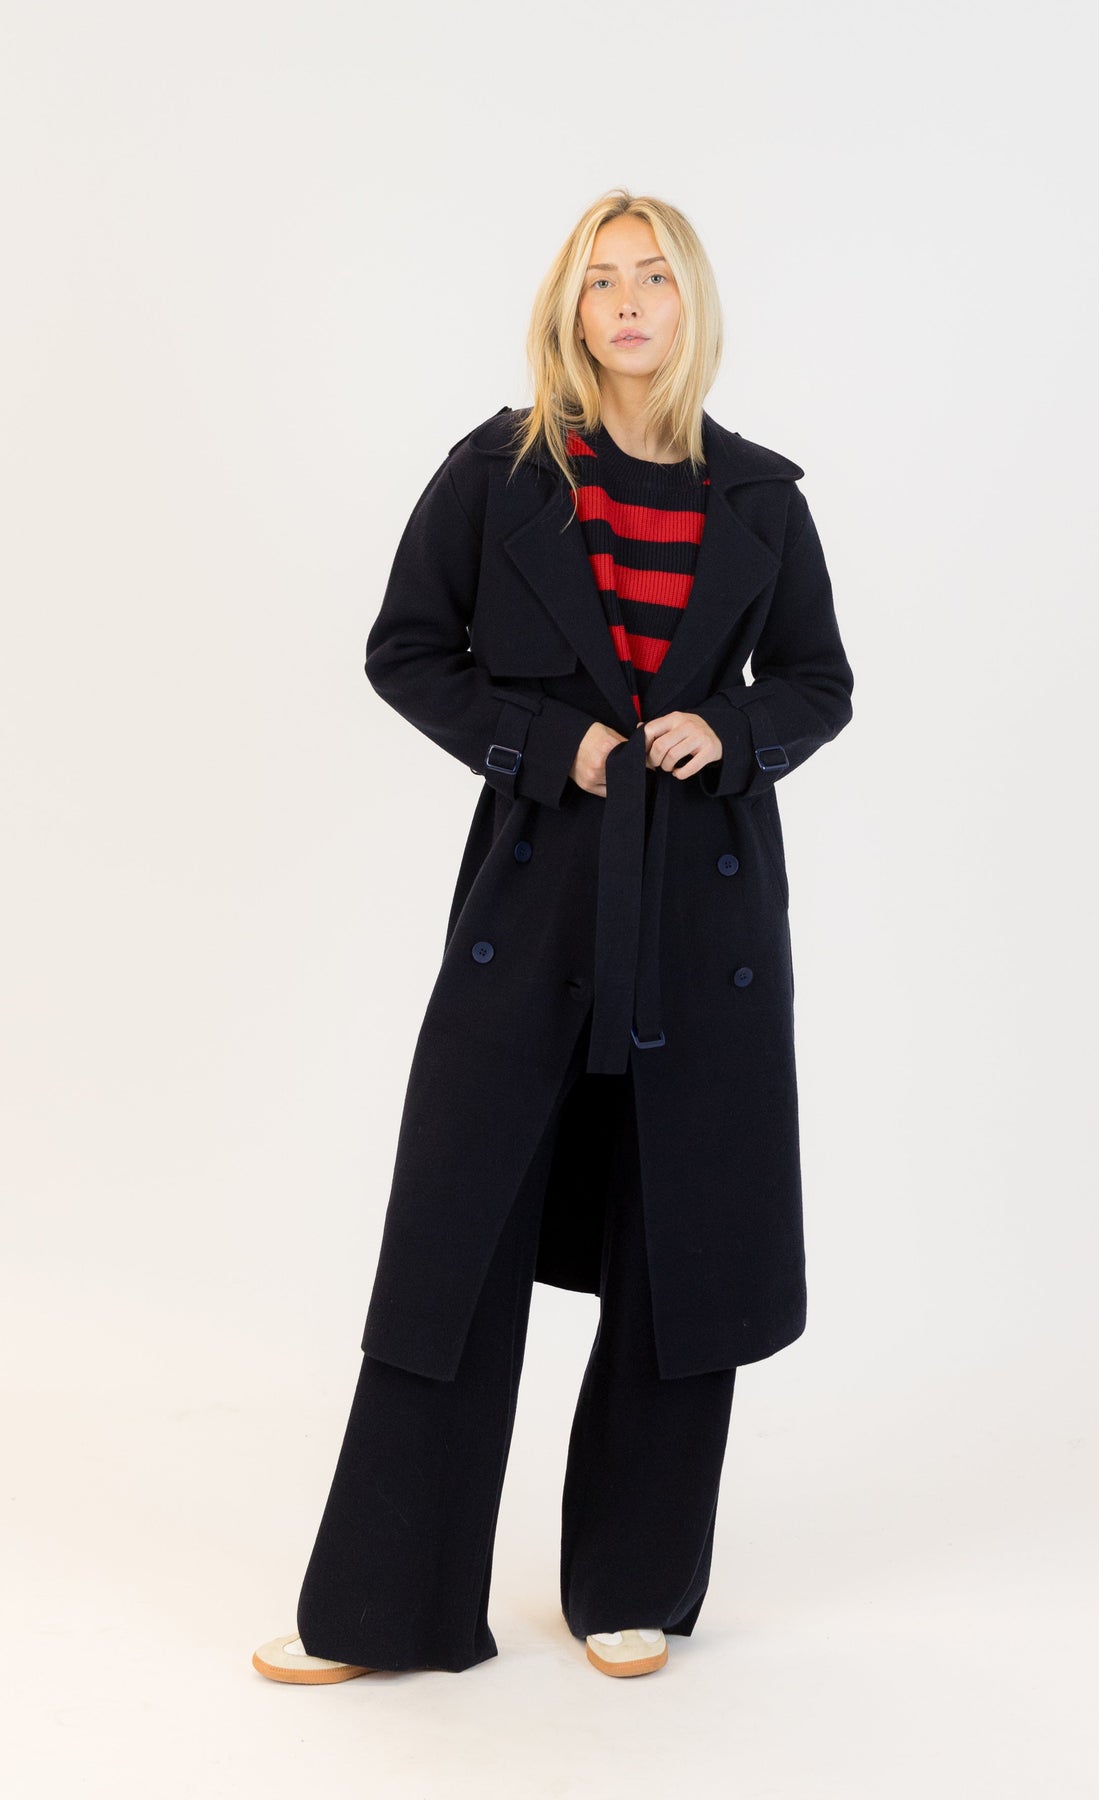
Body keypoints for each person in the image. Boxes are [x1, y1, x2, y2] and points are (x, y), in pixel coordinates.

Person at [252, 186, 854, 1686]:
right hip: (535, 902)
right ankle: (384, 1612)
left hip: (704, 915)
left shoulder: (762, 497)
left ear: (690, 303)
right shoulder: (500, 472)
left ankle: (631, 1590)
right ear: (568, 307)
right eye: (602, 280)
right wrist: (544, 745)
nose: (629, 302)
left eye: (654, 277)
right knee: (451, 1246)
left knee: (682, 1249)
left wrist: (733, 732)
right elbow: (407, 650)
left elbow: (820, 681)